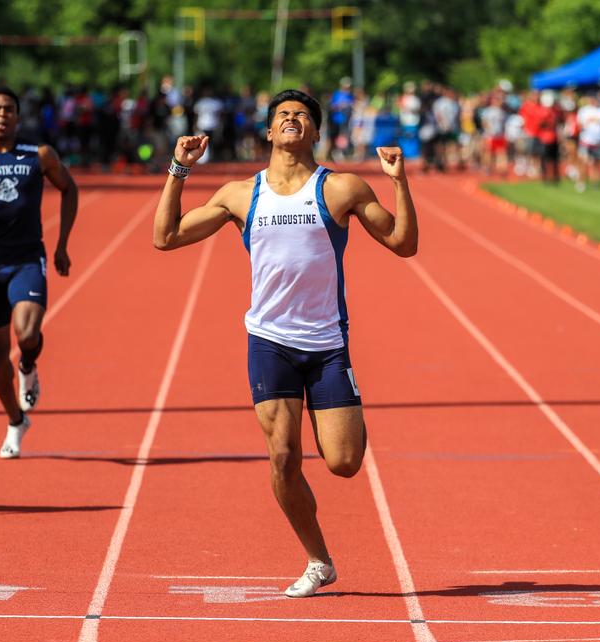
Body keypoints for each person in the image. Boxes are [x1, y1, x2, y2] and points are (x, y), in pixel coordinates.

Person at [153, 89, 417, 597]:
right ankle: (318, 559)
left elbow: (405, 244)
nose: (292, 120)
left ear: (316, 132)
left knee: (343, 462)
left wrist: (399, 182)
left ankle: (340, 421)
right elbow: (165, 238)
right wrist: (177, 169)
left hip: (326, 343)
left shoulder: (341, 188)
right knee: (283, 457)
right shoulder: (240, 194)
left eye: (302, 116)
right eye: (283, 116)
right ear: (269, 133)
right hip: (269, 341)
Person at [0, 86, 79, 459]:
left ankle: (28, 362)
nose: (2, 114)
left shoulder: (38, 155)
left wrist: (62, 245)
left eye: (9, 109)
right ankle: (15, 420)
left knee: (26, 333)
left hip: (27, 259)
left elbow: (69, 190)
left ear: (18, 118)